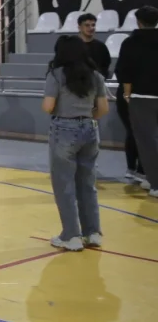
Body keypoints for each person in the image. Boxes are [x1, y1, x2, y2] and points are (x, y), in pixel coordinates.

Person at [40, 36, 108, 251]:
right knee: (87, 183)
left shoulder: (56, 74)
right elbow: (103, 109)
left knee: (64, 185)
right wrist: (85, 118)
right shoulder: (95, 76)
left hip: (64, 129)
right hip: (90, 128)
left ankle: (71, 236)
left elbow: (48, 106)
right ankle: (92, 232)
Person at [115, 6, 158, 198]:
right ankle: (151, 178)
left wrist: (127, 94)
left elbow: (124, 71)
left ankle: (155, 182)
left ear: (139, 22)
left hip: (141, 97)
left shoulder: (131, 42)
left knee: (147, 141)